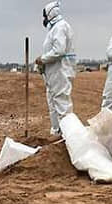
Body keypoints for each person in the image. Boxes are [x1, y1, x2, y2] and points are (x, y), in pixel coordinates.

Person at [34, 2, 76, 138]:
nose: (43, 19)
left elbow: (59, 50)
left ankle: (67, 136)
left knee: (62, 105)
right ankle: (57, 132)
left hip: (60, 72)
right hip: (53, 74)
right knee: (53, 104)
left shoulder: (60, 27)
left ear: (50, 14)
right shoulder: (54, 29)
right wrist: (41, 65)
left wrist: (43, 59)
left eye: (44, 16)